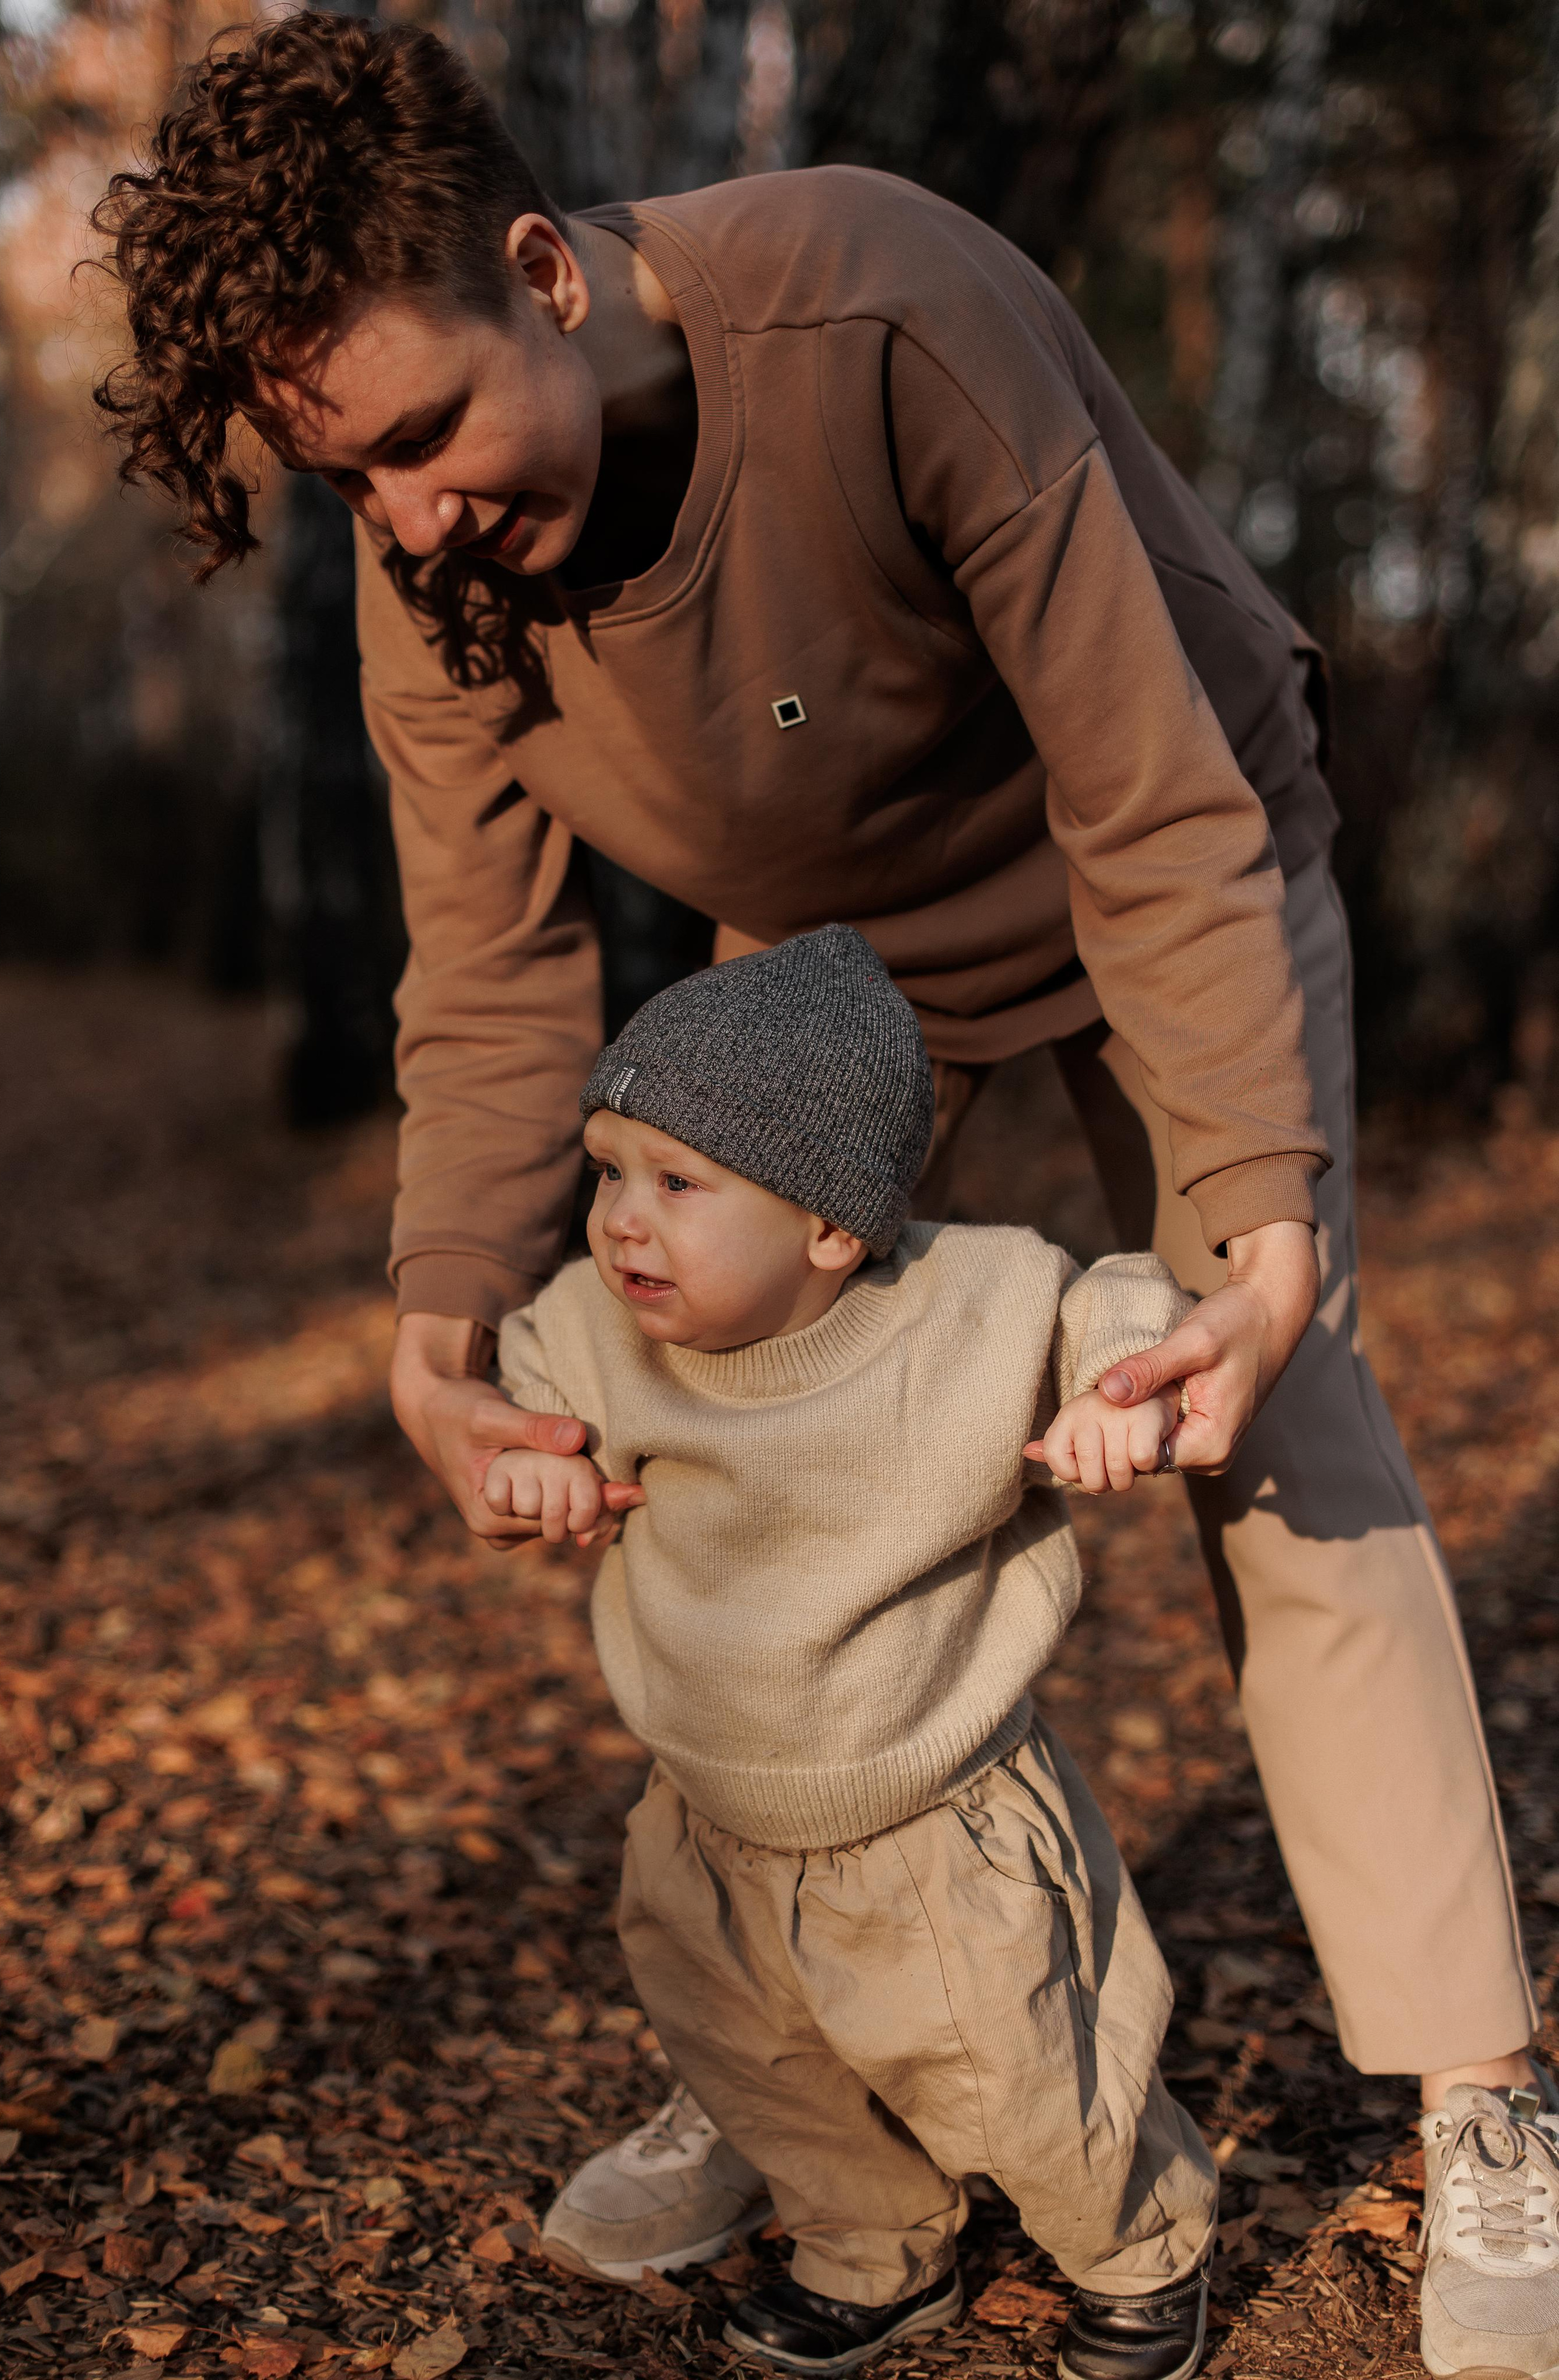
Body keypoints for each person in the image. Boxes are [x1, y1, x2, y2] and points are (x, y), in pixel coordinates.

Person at [91, 17, 1548, 2374]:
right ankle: (792, 2047)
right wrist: (440, 1328)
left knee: (1277, 1431)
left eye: (426, 438)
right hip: (843, 966)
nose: (411, 521)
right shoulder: (426, 570)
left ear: (544, 274)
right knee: (730, 1435)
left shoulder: (880, 307)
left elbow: (1149, 796)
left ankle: (1483, 2086)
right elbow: (494, 974)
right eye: (349, 480)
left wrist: (1259, 1228)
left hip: (1166, 859)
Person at [490, 920, 1219, 2379]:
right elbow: (525, 1376)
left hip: (930, 1823)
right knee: (767, 2071)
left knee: (1024, 2077)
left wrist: (1114, 1391)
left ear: (829, 1227)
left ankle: (1138, 2259)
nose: (621, 1221)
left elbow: (1119, 1292)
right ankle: (870, 2252)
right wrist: (530, 1463)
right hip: (705, 1815)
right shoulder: (596, 1327)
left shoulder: (968, 1304)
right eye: (607, 1170)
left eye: (676, 1184)